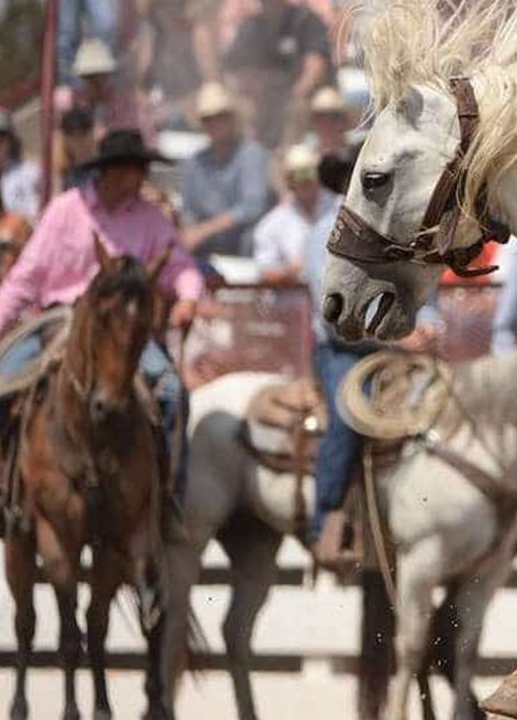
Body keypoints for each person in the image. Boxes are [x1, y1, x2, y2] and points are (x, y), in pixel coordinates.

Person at [0, 130, 203, 539]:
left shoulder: (150, 218)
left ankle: (166, 500)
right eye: (135, 169)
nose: (141, 178)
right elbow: (26, 276)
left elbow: (180, 266)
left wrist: (187, 297)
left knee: (170, 392)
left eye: (141, 170)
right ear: (112, 172)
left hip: (122, 330)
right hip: (61, 320)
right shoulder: (66, 210)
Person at [301, 145, 438, 569]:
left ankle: (423, 511)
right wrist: (398, 340)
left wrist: (429, 321)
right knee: (346, 414)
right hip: (343, 349)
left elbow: (420, 288)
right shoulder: (321, 233)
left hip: (395, 348)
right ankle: (325, 519)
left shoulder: (397, 234)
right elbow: (332, 315)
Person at [223, 0, 334, 146]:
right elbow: (232, 71)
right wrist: (245, 96)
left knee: (294, 110)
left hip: (304, 99)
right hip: (264, 104)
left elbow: (315, 68)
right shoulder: (250, 28)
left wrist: (295, 95)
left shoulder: (306, 20)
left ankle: (285, 163)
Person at [178, 83, 274, 261]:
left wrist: (204, 230)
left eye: (221, 117)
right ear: (203, 123)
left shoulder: (251, 153)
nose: (215, 123)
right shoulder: (194, 162)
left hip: (243, 242)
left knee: (252, 237)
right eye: (209, 119)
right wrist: (191, 232)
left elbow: (252, 207)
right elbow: (188, 210)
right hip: (205, 243)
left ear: (231, 119)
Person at [133, 0, 213, 127]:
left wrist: (178, 108)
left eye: (174, 2)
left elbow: (211, 84)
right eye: (162, 4)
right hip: (161, 123)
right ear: (153, 8)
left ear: (182, 3)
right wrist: (147, 107)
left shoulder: (198, 36)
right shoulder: (150, 44)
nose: (169, 9)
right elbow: (141, 88)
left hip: (197, 119)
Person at [251, 143, 329, 283]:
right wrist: (293, 270)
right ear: (288, 181)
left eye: (310, 172)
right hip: (293, 301)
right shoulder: (271, 224)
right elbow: (265, 274)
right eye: (298, 174)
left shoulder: (340, 208)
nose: (305, 179)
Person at [68, 37, 147, 139]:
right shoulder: (76, 101)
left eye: (99, 75)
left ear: (107, 75)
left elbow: (130, 135)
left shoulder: (122, 102)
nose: (96, 81)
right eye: (90, 76)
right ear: (83, 78)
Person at [52, 107, 97, 193]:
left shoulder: (104, 169)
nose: (78, 142)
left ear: (91, 134)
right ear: (65, 138)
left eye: (83, 134)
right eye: (72, 135)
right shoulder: (61, 173)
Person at [307, 84, 355, 156]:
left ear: (343, 121)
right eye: (320, 118)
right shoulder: (305, 156)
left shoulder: (357, 156)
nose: (326, 124)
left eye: (333, 118)